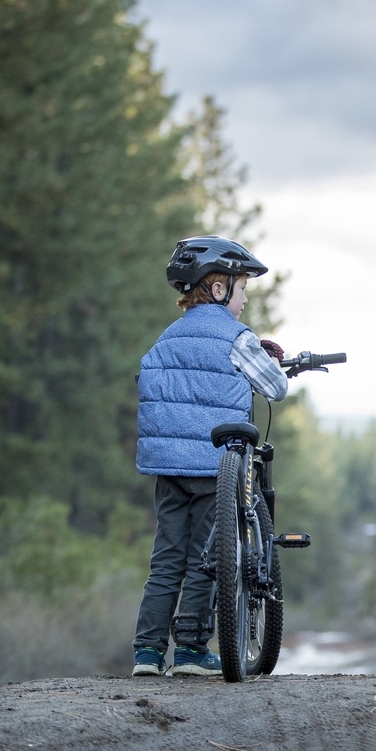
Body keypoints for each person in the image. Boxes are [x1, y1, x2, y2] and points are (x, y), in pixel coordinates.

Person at [131, 236, 290, 677]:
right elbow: (276, 388)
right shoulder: (237, 338)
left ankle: (146, 654)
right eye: (242, 291)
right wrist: (267, 358)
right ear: (219, 290)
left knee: (166, 558)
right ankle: (189, 650)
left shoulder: (166, 338)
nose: (243, 303)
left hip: (168, 467)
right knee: (208, 555)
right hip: (212, 466)